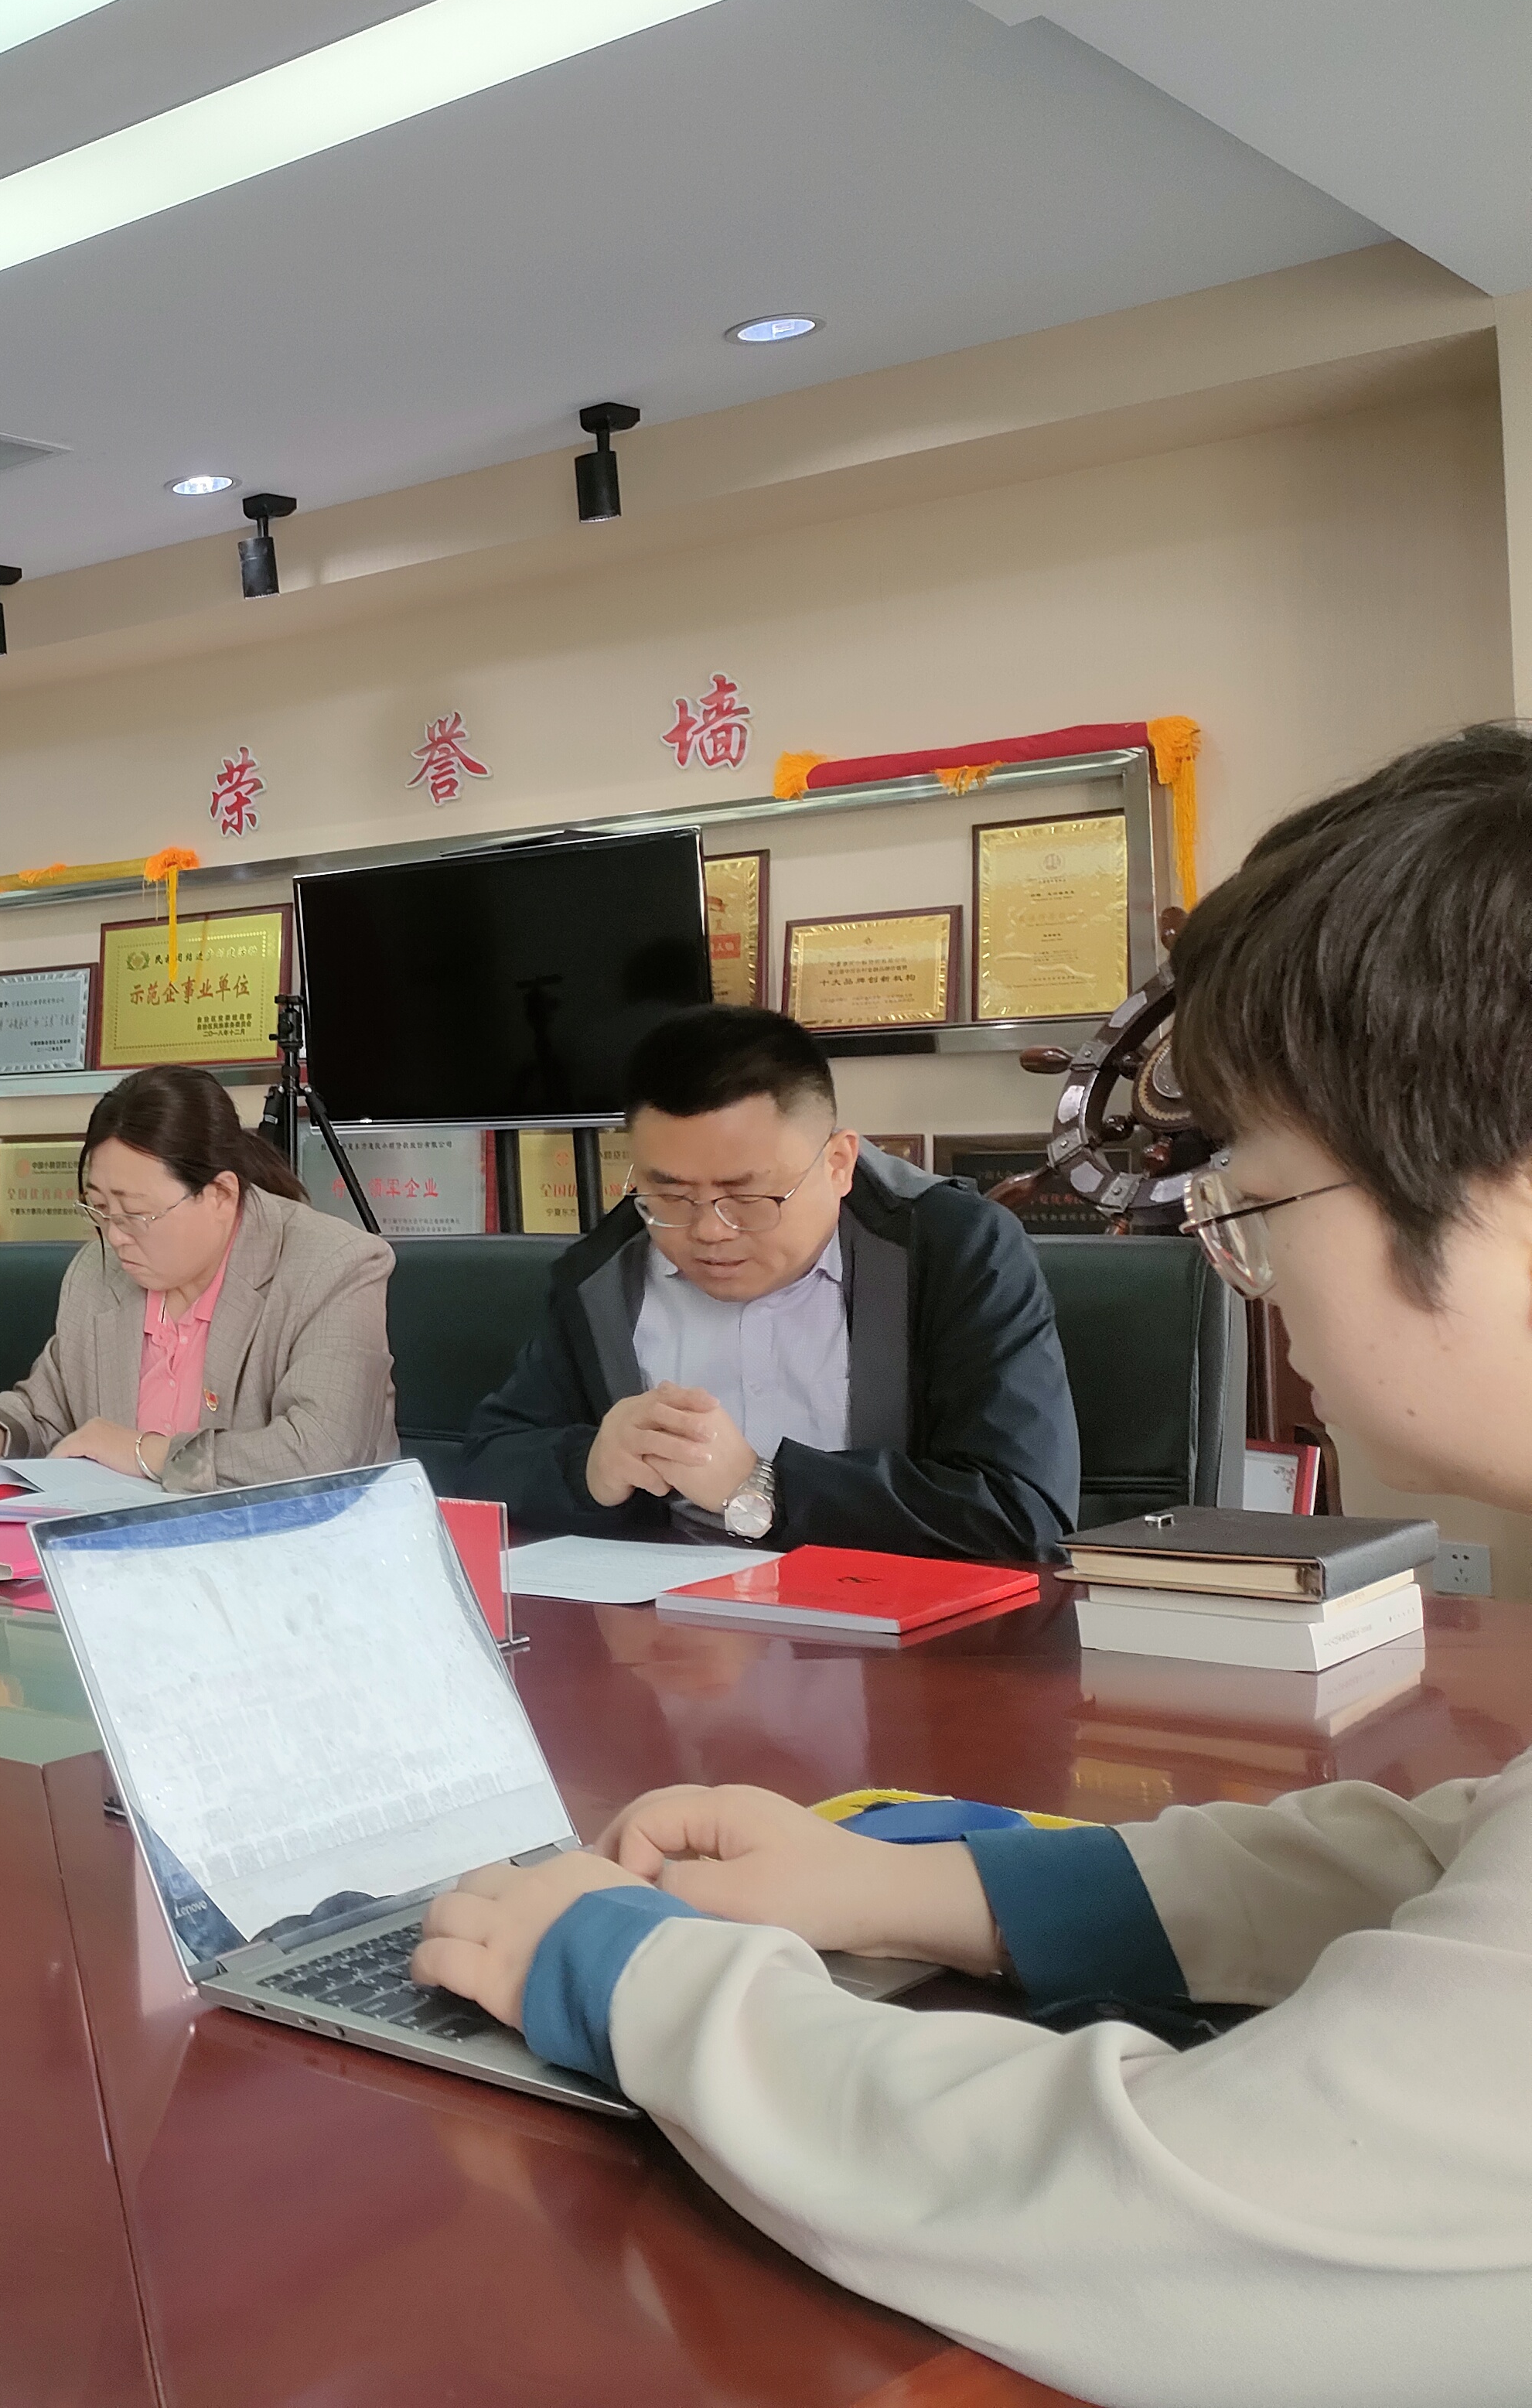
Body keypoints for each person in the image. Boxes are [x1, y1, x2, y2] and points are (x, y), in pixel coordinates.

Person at [410, 724, 1532, 2407]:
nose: (1250, 1275)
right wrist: (907, 1886)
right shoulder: (591, 1282)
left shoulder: (948, 1249)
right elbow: (1440, 1862)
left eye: (1253, 1201)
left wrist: (622, 1967)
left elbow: (1156, 2222)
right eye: (668, 1198)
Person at [460, 1005, 1076, 1562]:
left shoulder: (955, 1249)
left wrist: (761, 1488)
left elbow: (1021, 1513)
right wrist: (589, 1467)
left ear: (837, 1164)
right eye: (670, 1194)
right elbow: (488, 1463)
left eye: (747, 1196)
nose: (708, 1231)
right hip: (659, 1626)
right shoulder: (604, 1268)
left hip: (884, 1629)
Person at [0, 1063, 394, 1487]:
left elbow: (321, 1452)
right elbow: (48, 1412)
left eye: (136, 1214)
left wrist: (146, 1453)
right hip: (119, 1548)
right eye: (100, 1208)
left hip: (292, 1552)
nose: (115, 1235)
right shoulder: (98, 1272)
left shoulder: (333, 1267)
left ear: (220, 1195)